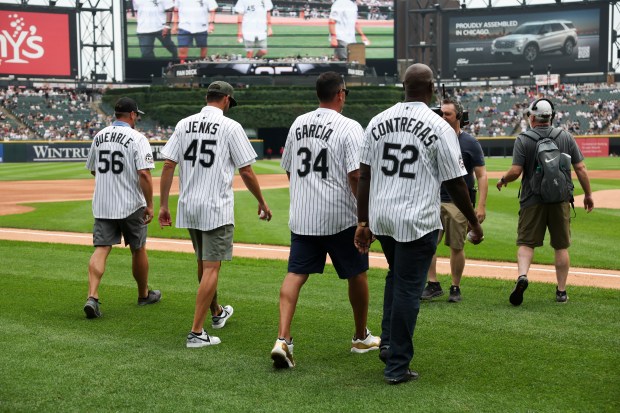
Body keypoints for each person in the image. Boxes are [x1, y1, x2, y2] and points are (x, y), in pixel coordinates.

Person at [354, 63, 483, 384]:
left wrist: (363, 220)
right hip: (417, 219)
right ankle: (397, 365)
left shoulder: (377, 121)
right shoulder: (438, 126)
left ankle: (387, 343)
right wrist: (473, 222)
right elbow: (456, 183)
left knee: (395, 278)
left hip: (382, 217)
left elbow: (365, 175)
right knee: (410, 288)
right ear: (431, 88)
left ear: (404, 85)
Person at [270, 72, 380, 369]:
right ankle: (360, 336)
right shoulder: (349, 126)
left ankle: (283, 339)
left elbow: (290, 170)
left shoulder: (298, 123)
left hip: (303, 216)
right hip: (340, 216)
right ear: (341, 94)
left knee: (295, 275)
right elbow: (356, 175)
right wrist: (364, 219)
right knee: (356, 273)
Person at [158, 81, 272, 348]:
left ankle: (217, 313)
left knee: (203, 263)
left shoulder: (184, 123)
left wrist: (164, 205)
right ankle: (196, 332)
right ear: (227, 100)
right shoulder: (231, 126)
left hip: (188, 204)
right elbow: (245, 170)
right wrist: (261, 201)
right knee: (211, 267)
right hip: (215, 206)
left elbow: (167, 164)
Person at [496, 98, 594, 305]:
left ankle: (522, 275)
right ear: (551, 117)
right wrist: (588, 194)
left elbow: (515, 171)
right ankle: (561, 291)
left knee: (526, 243)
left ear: (532, 117)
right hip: (559, 199)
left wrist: (503, 180)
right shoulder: (565, 136)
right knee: (561, 246)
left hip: (532, 199)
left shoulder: (523, 139)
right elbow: (581, 169)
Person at [83, 97, 161, 319]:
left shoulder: (99, 136)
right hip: (131, 204)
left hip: (103, 203)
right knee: (138, 248)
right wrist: (150, 205)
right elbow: (144, 174)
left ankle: (92, 297)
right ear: (133, 115)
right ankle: (143, 294)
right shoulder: (138, 138)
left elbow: (93, 170)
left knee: (101, 248)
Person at [422, 97, 488, 303]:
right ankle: (432, 284)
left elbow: (482, 175)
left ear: (458, 116)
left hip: (458, 202)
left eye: (447, 113)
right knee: (428, 245)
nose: (442, 116)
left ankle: (455, 286)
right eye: (440, 113)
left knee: (457, 246)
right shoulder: (430, 137)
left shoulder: (469, 142)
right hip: (433, 199)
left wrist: (481, 206)